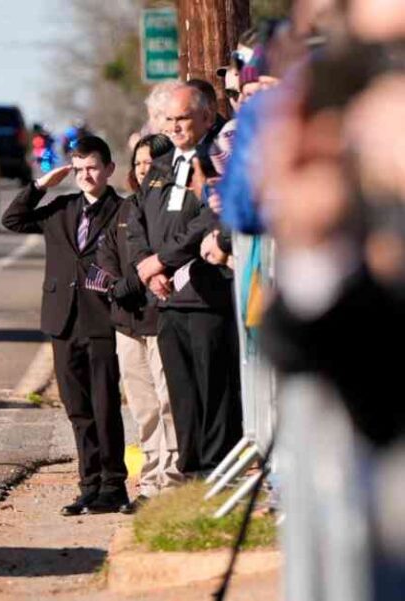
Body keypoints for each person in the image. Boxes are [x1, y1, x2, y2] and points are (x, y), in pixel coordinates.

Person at [3, 136, 130, 515]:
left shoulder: (122, 212)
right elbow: (13, 219)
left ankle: (114, 485)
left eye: (92, 167)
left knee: (106, 405)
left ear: (109, 169)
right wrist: (42, 185)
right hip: (63, 320)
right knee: (77, 408)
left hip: (102, 320)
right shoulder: (61, 208)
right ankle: (88, 484)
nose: (86, 175)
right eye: (79, 169)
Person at [129, 85, 242, 478]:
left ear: (207, 118)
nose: (176, 127)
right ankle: (191, 472)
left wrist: (163, 259)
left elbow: (209, 220)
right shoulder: (161, 166)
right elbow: (137, 218)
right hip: (167, 300)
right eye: (170, 120)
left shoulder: (218, 162)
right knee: (182, 395)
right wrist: (148, 265)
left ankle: (216, 473)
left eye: (184, 119)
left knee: (215, 392)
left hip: (206, 295)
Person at [95, 133, 183, 505]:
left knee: (169, 405)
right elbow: (107, 255)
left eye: (152, 162)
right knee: (144, 407)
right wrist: (117, 285)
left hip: (161, 316)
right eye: (139, 163)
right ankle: (149, 480)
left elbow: (168, 253)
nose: (144, 169)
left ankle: (173, 478)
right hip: (127, 322)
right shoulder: (126, 208)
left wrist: (133, 282)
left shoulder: (175, 204)